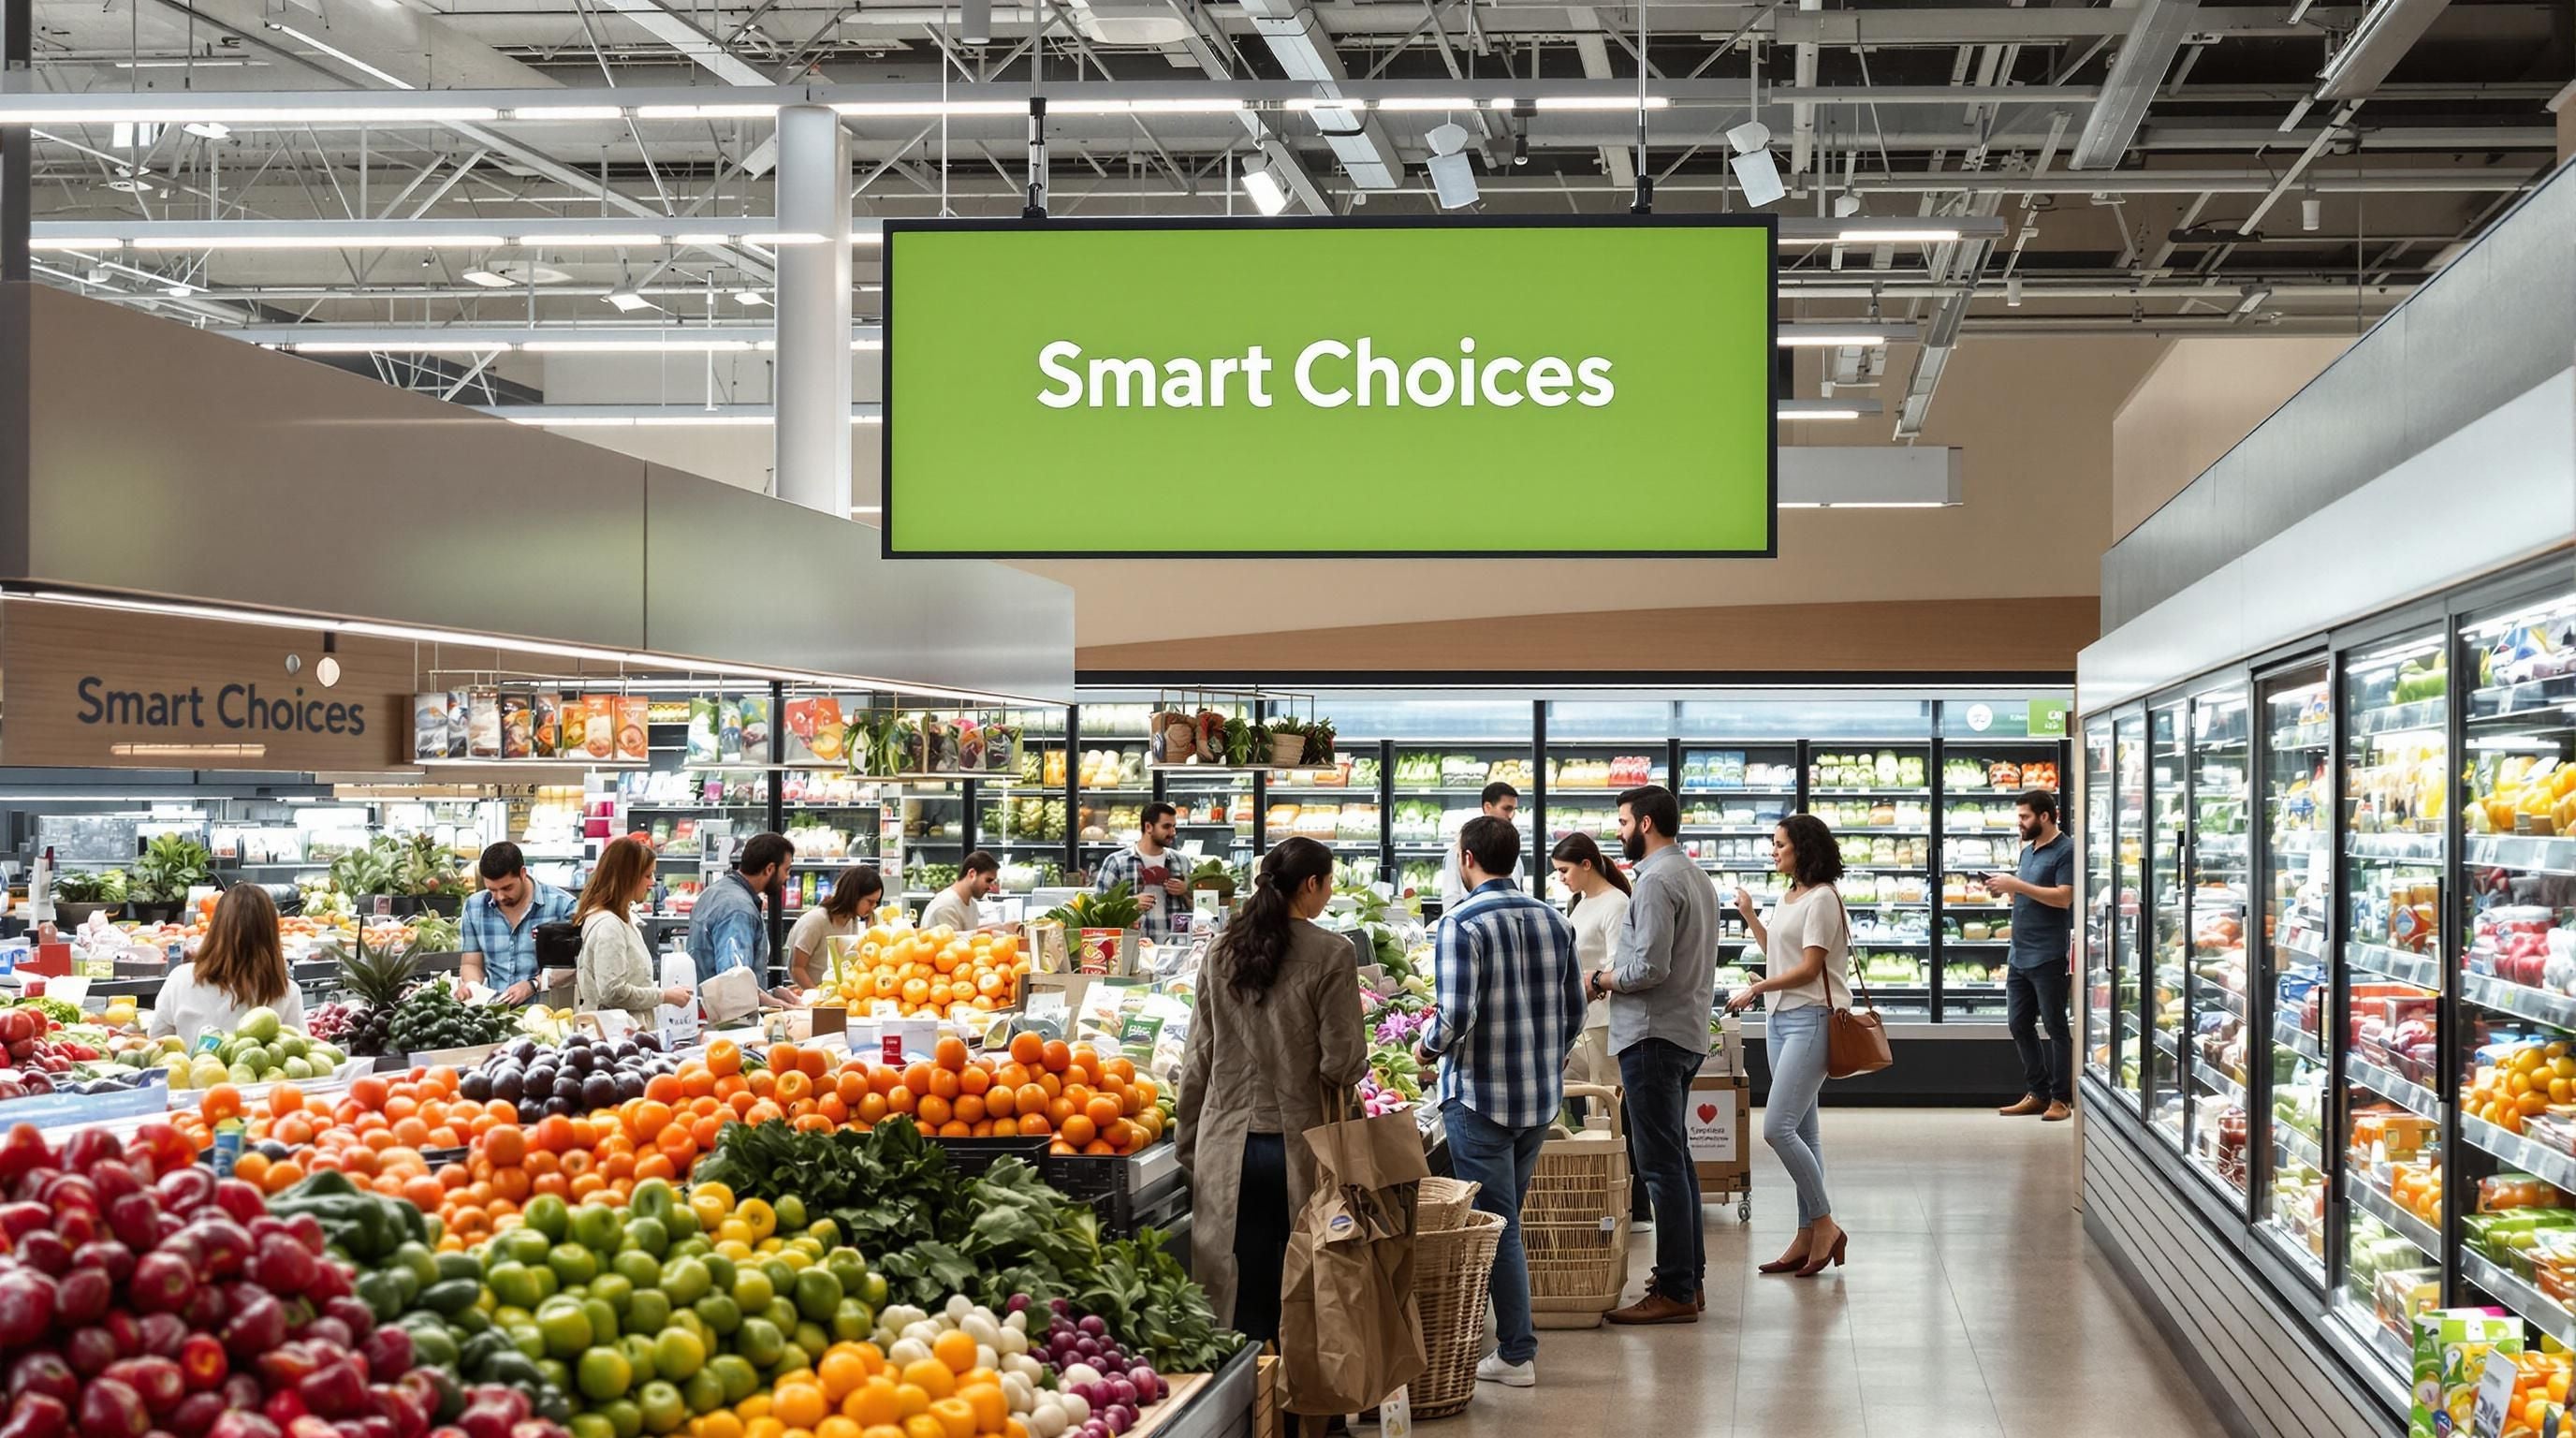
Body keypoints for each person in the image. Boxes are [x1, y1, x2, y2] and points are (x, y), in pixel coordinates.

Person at [1174, 837, 1368, 1346]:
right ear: (1311, 884)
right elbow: (1341, 1063)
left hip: (1227, 1142)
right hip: (1298, 1146)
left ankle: (1243, 1397)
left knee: (1235, 1281)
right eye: (1327, 884)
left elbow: (1198, 1056)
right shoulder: (1333, 952)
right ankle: (1297, 1399)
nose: (1327, 894)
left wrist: (1189, 1140)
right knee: (1305, 1276)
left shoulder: (1220, 950)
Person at [1416, 815, 1584, 1387]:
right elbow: (1575, 1011)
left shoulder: (1459, 924)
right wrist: (1545, 1056)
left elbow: (1455, 1017)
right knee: (1509, 1219)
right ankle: (1513, 1343)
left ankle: (1516, 1352)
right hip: (1538, 1100)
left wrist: (1424, 1047)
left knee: (1499, 1223)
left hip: (1480, 1098)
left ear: (1467, 858)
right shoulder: (1554, 919)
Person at [1592, 783, 1720, 1325]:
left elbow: (1648, 969)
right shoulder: (1697, 877)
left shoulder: (1653, 883)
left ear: (1645, 824)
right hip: (1685, 1032)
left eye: (1623, 821)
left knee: (1660, 1167)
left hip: (1650, 1036)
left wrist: (1601, 978)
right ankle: (1689, 1279)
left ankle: (1673, 1290)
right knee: (1678, 1161)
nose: (1618, 832)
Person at [1722, 813, 1853, 1278]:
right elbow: (1780, 952)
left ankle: (1824, 1223)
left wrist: (1757, 990)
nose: (1773, 851)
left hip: (1811, 1020)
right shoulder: (1790, 895)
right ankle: (1805, 1236)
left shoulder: (1821, 899)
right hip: (1781, 1020)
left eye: (1780, 844)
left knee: (1777, 1128)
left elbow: (1809, 968)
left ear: (1804, 848)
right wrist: (1751, 917)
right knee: (1806, 1132)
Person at [1989, 787, 2077, 1122]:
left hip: (2049, 954)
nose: (2020, 823)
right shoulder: (2029, 851)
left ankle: (2061, 1098)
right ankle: (2037, 1092)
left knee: (2055, 1026)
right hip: (2019, 954)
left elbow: (2064, 898)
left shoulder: (2066, 850)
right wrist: (2009, 891)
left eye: (2025, 816)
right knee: (2019, 1024)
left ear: (2045, 816)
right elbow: (2028, 894)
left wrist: (2017, 886)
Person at [149, 884, 304, 1049]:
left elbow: (157, 1041)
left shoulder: (180, 980)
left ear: (216, 925)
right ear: (271, 932)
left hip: (195, 1072)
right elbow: (299, 1050)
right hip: (256, 1073)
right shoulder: (285, 990)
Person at [576, 836, 694, 1024]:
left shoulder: (621, 918)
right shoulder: (609, 926)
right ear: (626, 877)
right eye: (648, 875)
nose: (653, 882)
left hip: (625, 1034)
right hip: (616, 1036)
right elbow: (612, 992)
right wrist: (664, 996)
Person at [1551, 832, 1632, 1091]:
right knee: (1589, 1099)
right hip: (1583, 1020)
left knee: (1607, 1095)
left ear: (1586, 864)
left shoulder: (1617, 903)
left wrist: (1594, 984)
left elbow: (1618, 963)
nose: (1560, 878)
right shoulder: (1582, 902)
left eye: (1564, 870)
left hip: (1604, 1023)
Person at [688, 832, 800, 1005]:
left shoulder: (716, 891)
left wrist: (773, 993)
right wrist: (783, 1007)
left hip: (706, 1011)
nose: (787, 878)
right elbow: (735, 985)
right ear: (769, 869)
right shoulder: (739, 910)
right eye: (786, 870)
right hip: (728, 1023)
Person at [459, 842, 577, 1005]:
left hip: (546, 1013)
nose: (499, 896)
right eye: (492, 890)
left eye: (507, 888)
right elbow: (471, 963)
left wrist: (533, 985)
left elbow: (575, 968)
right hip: (495, 1015)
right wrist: (472, 986)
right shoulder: (474, 907)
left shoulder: (562, 906)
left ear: (522, 873)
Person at [1094, 802, 1193, 943]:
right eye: (1166, 827)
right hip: (1133, 947)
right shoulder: (1117, 862)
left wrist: (1186, 890)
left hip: (1175, 946)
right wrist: (1130, 904)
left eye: (1174, 826)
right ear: (1148, 827)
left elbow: (1201, 906)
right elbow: (1098, 908)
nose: (1173, 832)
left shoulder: (1182, 862)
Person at [788, 865, 885, 991]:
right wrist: (818, 996)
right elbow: (797, 968)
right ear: (854, 896)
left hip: (834, 995)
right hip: (811, 997)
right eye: (870, 902)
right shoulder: (816, 921)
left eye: (876, 903)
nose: (873, 907)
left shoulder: (852, 920)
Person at [1437, 782, 1520, 912]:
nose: (1511, 815)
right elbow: (1451, 897)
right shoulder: (1460, 849)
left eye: (1514, 810)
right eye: (1507, 809)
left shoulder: (1512, 848)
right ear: (1487, 807)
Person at [921, 851, 999, 932]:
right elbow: (953, 942)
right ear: (972, 874)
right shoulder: (946, 906)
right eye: (988, 880)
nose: (990, 888)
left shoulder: (972, 905)